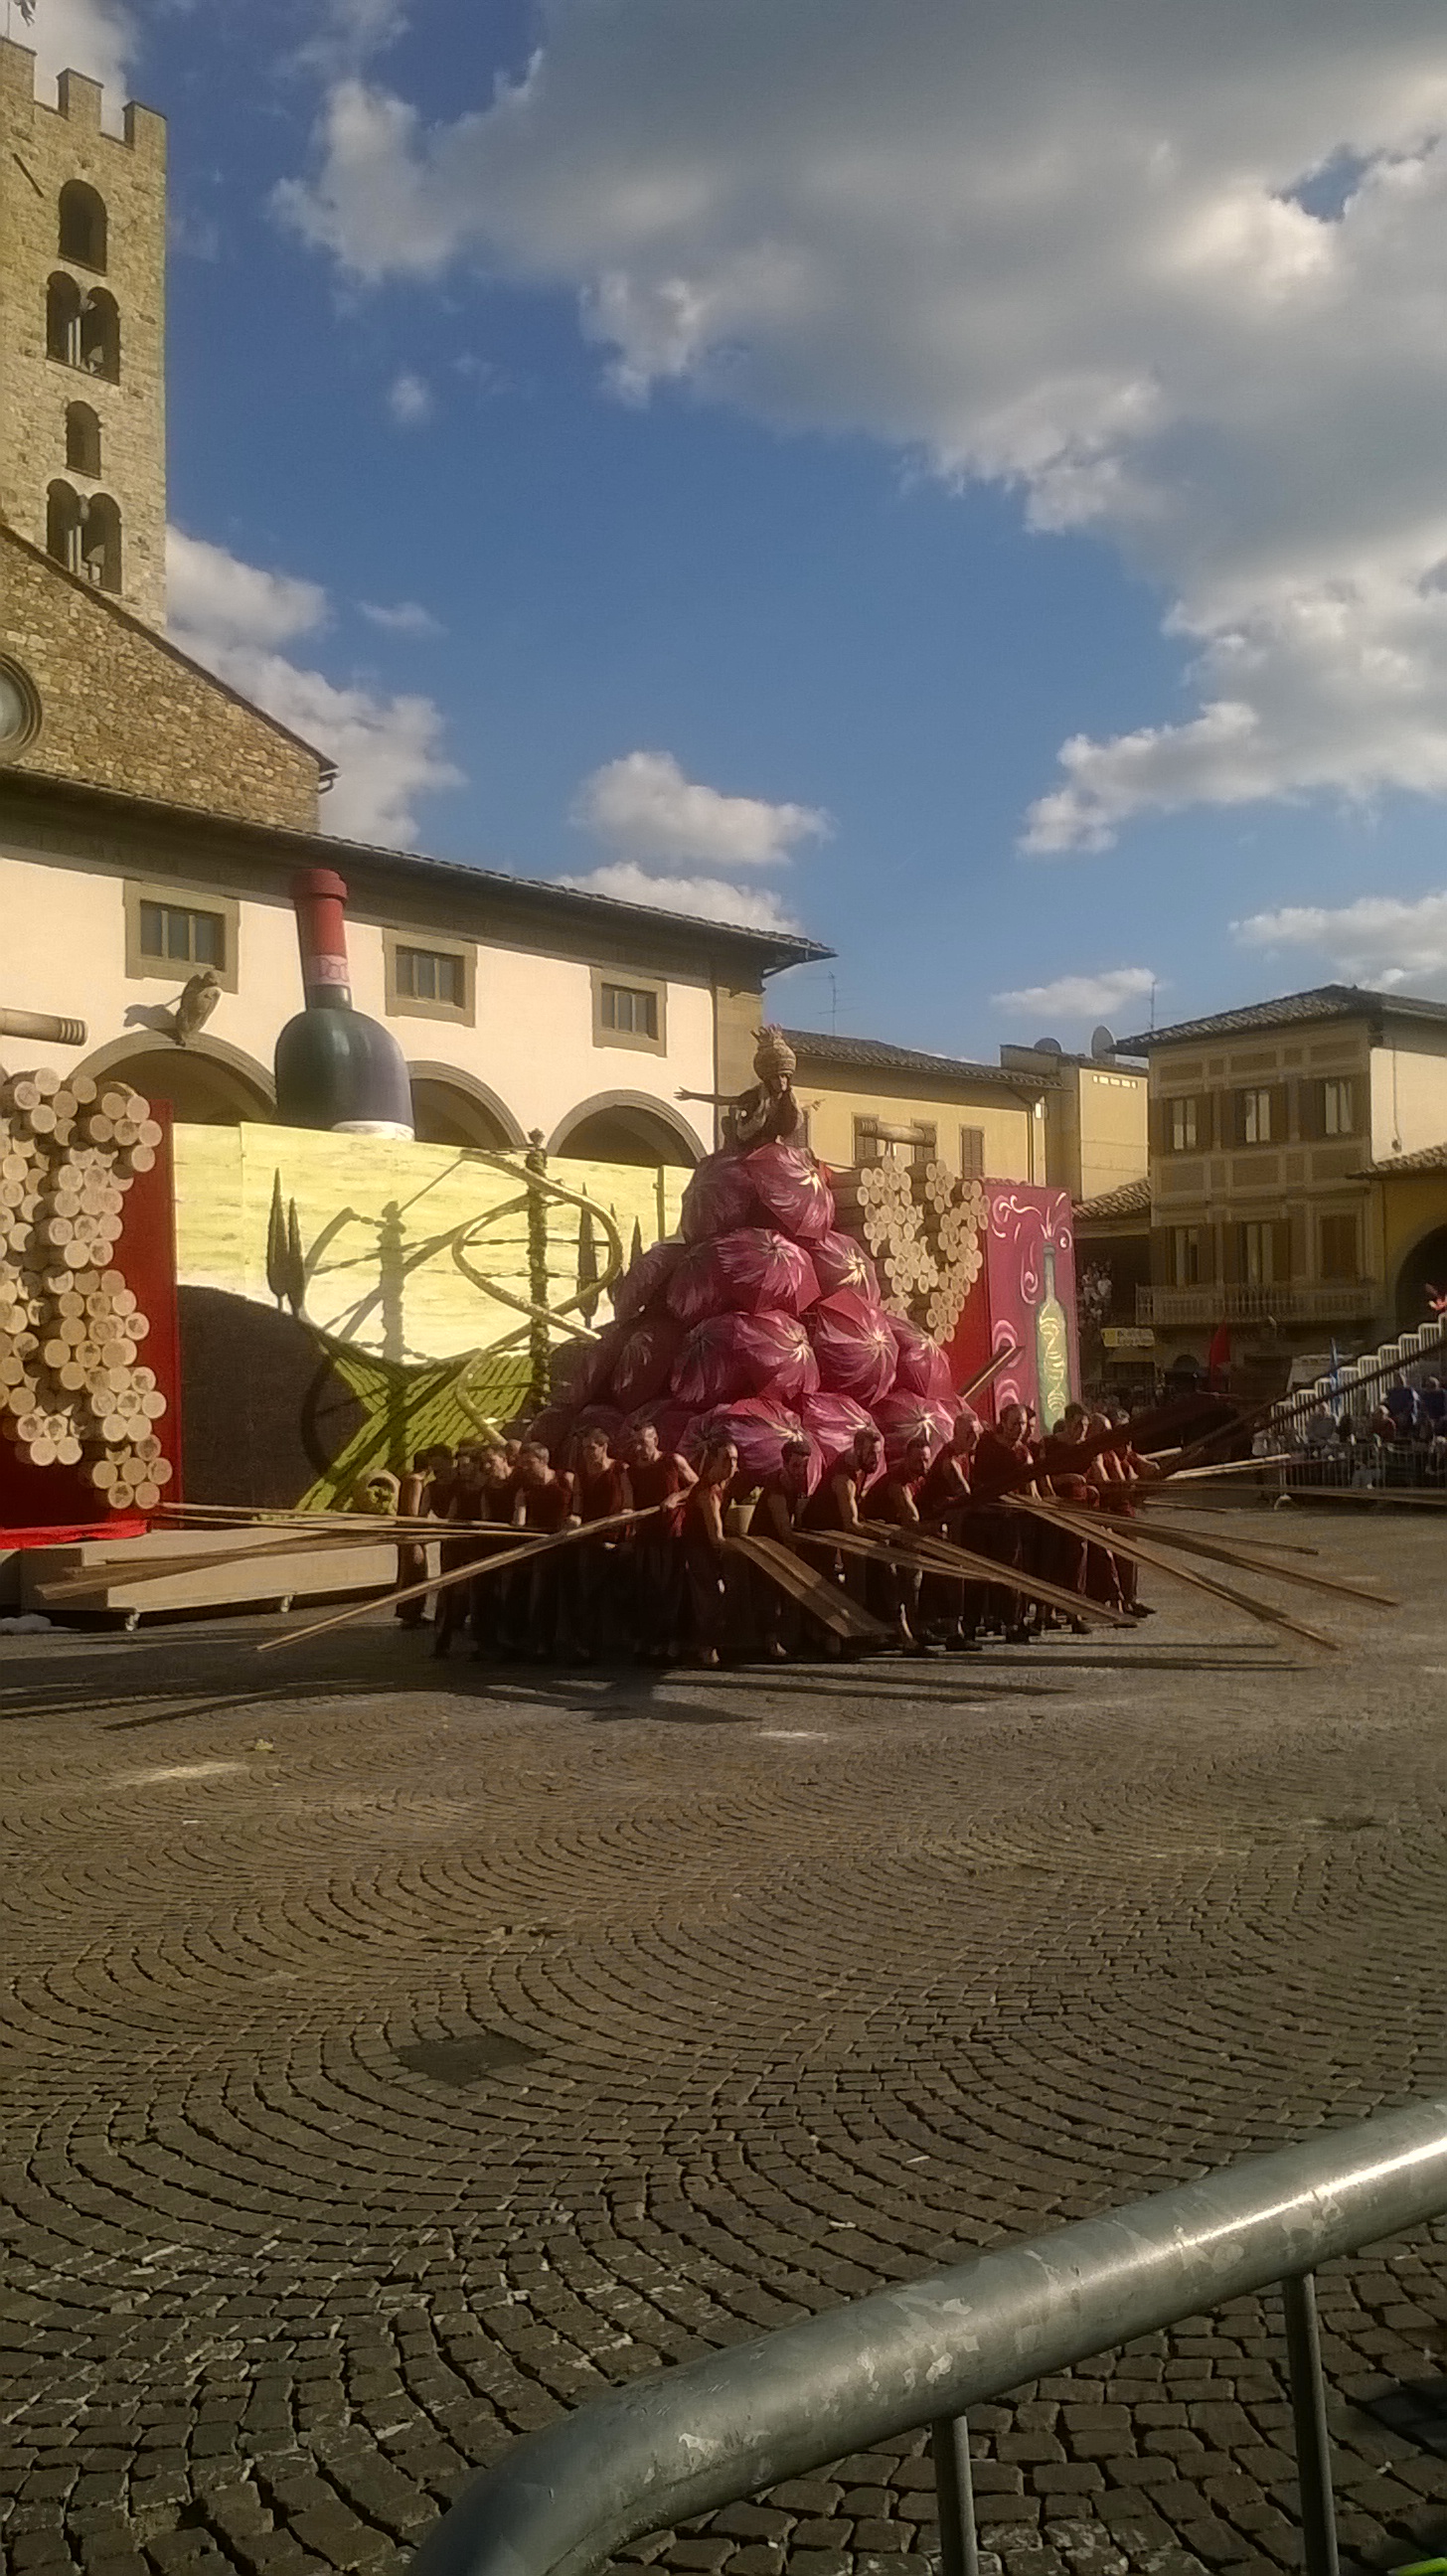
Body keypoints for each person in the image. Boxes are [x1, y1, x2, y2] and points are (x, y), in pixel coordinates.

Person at [558, 1425, 632, 1661]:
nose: (588, 1453)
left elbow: (629, 1503)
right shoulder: (581, 1473)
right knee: (586, 1592)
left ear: (604, 1447)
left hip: (616, 1536)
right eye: (585, 1449)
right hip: (591, 1538)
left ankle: (624, 1643)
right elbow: (578, 1505)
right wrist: (573, 1519)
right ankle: (585, 1646)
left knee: (623, 1591)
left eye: (592, 1448)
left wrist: (624, 1522)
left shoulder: (620, 1469)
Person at [624, 1421, 695, 1662]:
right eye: (635, 1444)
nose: (639, 1448)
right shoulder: (632, 1470)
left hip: (672, 1533)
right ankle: (651, 1641)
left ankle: (672, 1642)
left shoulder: (672, 1461)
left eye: (643, 1443)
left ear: (655, 1441)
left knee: (672, 1589)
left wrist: (676, 1495)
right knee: (648, 1590)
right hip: (646, 1535)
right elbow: (630, 1502)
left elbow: (697, 1486)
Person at [502, 1442, 575, 1658]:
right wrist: (520, 1509)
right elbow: (520, 1523)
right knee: (541, 1594)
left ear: (544, 1461)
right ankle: (542, 1644)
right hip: (543, 1545)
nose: (524, 1468)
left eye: (529, 1463)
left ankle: (573, 1643)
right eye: (522, 1464)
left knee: (572, 1595)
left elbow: (579, 1506)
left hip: (570, 1542)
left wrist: (574, 1518)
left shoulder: (565, 1479)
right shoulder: (525, 1489)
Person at [864, 1430, 934, 1651]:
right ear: (906, 1460)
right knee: (893, 1579)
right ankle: (904, 1635)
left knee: (914, 1577)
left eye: (925, 1460)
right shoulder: (898, 1484)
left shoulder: (922, 1477)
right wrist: (936, 1527)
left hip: (897, 1535)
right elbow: (911, 1519)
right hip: (876, 1537)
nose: (923, 1466)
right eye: (917, 1461)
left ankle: (914, 1628)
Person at [749, 1435, 816, 1658]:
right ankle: (771, 1644)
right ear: (785, 1463)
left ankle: (791, 1639)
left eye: (804, 1466)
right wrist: (812, 1541)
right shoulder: (775, 1489)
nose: (800, 1470)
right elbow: (786, 1531)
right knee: (770, 1597)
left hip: (780, 1548)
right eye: (796, 1465)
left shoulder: (798, 1484)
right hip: (765, 1550)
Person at [680, 1438, 737, 1668]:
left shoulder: (723, 1485)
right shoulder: (708, 1492)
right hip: (698, 1550)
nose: (732, 1465)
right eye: (726, 1459)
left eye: (734, 1459)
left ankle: (712, 1645)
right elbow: (716, 1537)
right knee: (709, 1597)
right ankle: (706, 1649)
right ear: (714, 1460)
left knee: (717, 1596)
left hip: (708, 1550)